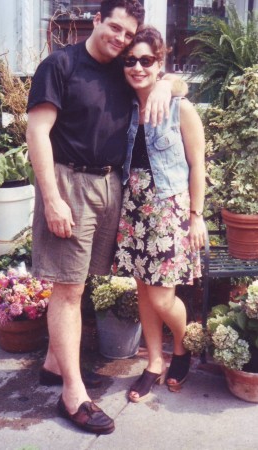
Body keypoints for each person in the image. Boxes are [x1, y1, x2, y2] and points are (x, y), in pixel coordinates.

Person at [26, 0, 187, 435]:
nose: (119, 38)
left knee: (79, 283)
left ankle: (54, 365)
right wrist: (53, 198)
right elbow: (37, 131)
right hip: (70, 184)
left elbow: (164, 77)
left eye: (126, 33)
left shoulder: (121, 68)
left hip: (109, 185)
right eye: (113, 27)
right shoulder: (60, 64)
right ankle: (73, 394)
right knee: (68, 288)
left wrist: (168, 86)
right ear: (97, 20)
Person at [113, 25, 206, 402]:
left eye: (146, 60)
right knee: (143, 290)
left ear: (159, 62)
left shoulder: (179, 108)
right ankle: (153, 362)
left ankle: (182, 348)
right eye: (130, 60)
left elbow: (198, 165)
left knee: (162, 297)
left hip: (168, 206)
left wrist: (197, 214)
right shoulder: (124, 104)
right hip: (133, 207)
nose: (137, 67)